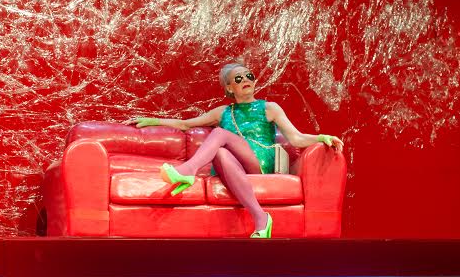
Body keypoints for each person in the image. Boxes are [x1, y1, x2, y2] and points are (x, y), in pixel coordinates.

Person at [124, 62, 343, 239]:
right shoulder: (223, 112)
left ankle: (189, 170)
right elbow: (185, 124)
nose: (245, 80)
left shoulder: (269, 108)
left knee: (219, 134)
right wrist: (153, 120)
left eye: (249, 76)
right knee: (219, 152)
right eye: (238, 79)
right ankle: (261, 218)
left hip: (258, 161)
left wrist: (322, 137)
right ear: (230, 88)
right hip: (234, 166)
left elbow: (296, 138)